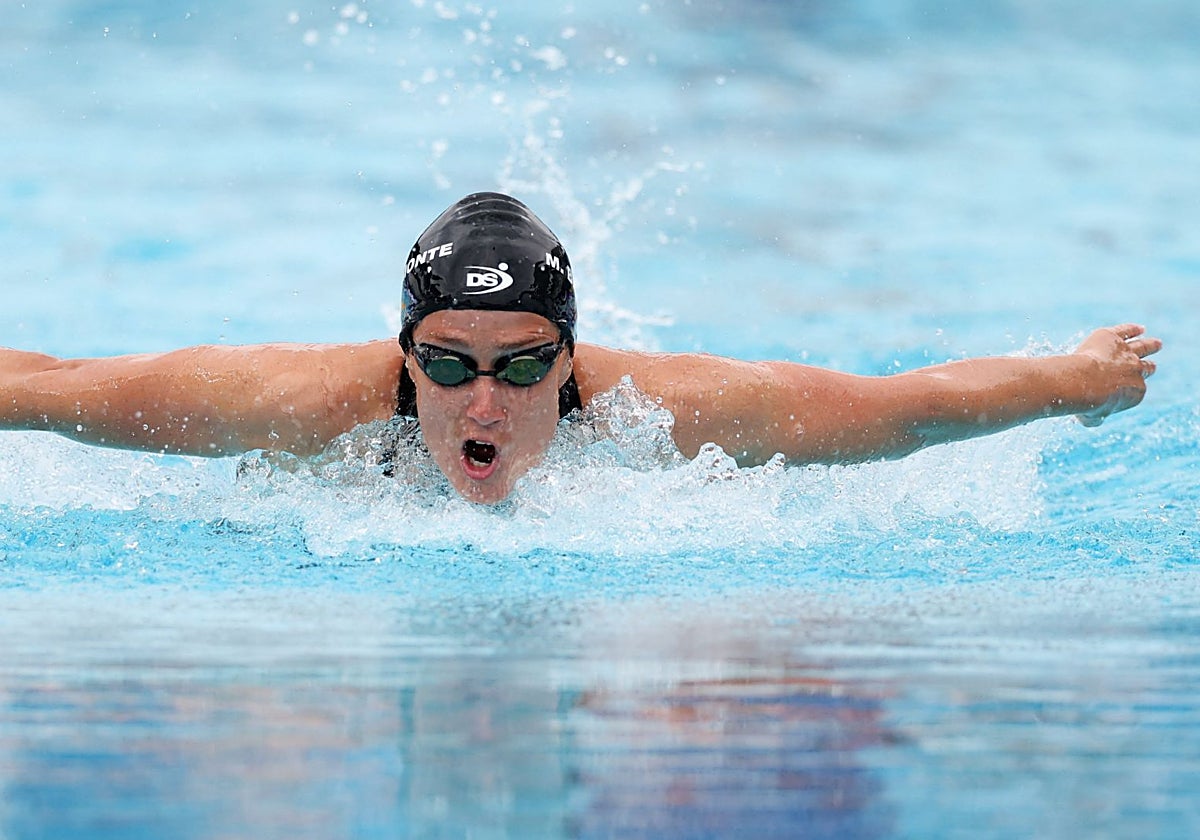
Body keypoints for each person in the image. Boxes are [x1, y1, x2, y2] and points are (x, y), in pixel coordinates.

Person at [0, 192, 1161, 504]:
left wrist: (1080, 380)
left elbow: (906, 408)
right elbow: (53, 391)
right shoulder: (297, 403)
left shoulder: (671, 415)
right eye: (448, 365)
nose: (483, 402)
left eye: (522, 365)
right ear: (405, 359)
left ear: (570, 359)